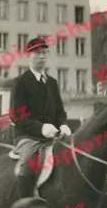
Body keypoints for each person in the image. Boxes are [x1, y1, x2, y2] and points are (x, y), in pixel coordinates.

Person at [11, 38, 71, 198]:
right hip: (28, 136)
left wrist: (63, 124)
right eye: (38, 53)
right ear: (28, 56)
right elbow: (17, 114)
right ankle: (24, 206)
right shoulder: (21, 82)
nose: (42, 56)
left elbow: (60, 111)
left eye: (45, 52)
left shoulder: (52, 83)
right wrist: (41, 128)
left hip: (54, 136)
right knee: (29, 164)